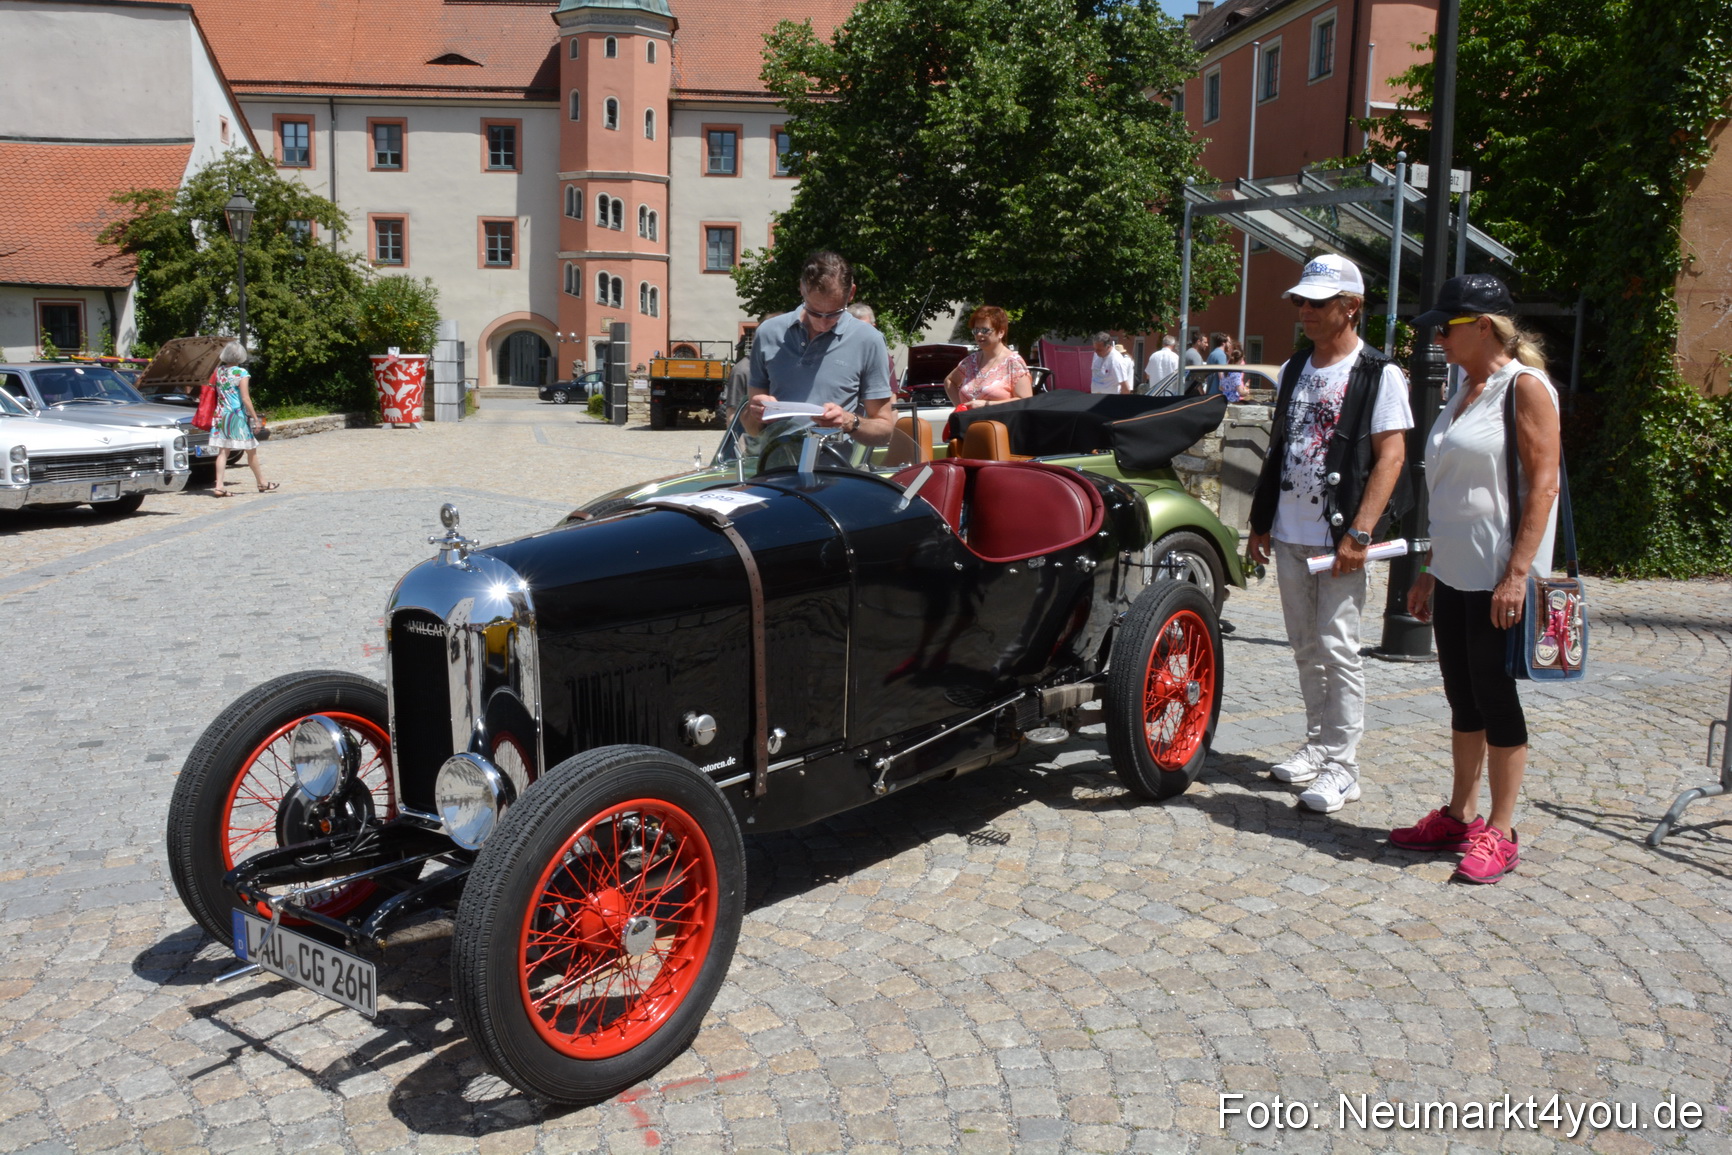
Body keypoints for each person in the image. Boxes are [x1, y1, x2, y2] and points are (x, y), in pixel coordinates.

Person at [1394, 275, 1560, 885]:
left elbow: (1544, 484)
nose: (1437, 338)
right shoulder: (1462, 389)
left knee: (1495, 694)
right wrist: (1430, 570)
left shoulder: (1525, 387)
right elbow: (1452, 492)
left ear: (1483, 326)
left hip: (1498, 574)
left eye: (1447, 327)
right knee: (1462, 695)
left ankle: (1503, 828)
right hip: (1456, 570)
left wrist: (1516, 575)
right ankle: (1459, 815)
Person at [1247, 253, 1412, 814]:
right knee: (1304, 647)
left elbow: (1391, 457)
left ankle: (1344, 765)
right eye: (1301, 301)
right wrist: (1261, 520)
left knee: (1339, 648)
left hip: (1340, 533)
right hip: (1289, 528)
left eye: (1318, 302)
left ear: (1352, 306)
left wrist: (1360, 534)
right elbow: (1280, 446)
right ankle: (1318, 745)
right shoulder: (1296, 366)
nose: (1306, 311)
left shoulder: (1378, 373)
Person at [744, 251, 893, 444]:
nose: (823, 323)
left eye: (834, 313)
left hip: (835, 459)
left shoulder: (869, 340)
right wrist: (756, 413)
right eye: (814, 311)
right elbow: (752, 427)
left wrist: (850, 421)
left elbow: (885, 430)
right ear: (801, 289)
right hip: (778, 458)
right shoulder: (768, 332)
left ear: (851, 293)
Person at [208, 341, 277, 497]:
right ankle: (262, 482)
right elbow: (245, 398)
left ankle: (219, 486)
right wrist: (255, 418)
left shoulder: (219, 371)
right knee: (251, 450)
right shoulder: (241, 373)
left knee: (222, 452)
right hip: (236, 416)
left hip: (221, 415)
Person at [945, 306, 1033, 410]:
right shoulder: (970, 361)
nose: (979, 334)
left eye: (985, 330)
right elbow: (949, 381)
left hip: (1001, 420)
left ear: (1001, 332)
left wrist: (986, 404)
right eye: (976, 330)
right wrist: (961, 409)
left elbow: (1025, 401)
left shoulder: (1014, 362)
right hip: (970, 420)